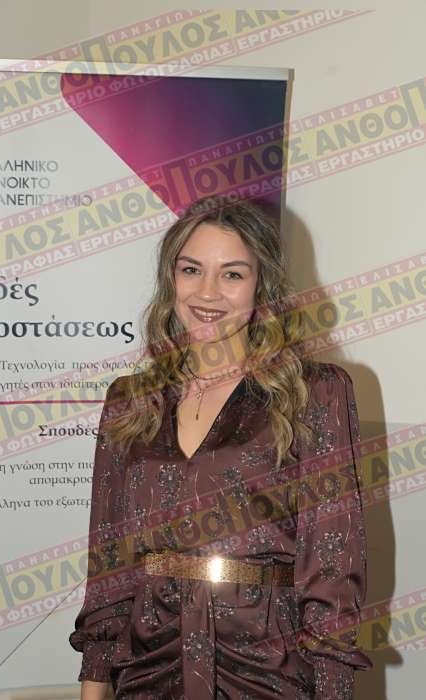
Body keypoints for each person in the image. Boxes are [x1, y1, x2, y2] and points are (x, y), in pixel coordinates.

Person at [69, 194, 373, 699]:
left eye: (232, 274)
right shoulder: (130, 401)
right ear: (171, 278)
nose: (207, 292)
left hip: (265, 669)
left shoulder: (315, 392)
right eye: (191, 269)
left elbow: (333, 567)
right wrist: (94, 685)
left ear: (262, 284)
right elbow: (109, 569)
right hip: (151, 665)